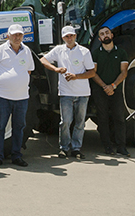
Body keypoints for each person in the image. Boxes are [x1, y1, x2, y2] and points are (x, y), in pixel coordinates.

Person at [40, 26, 96, 159]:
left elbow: (92, 72)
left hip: (82, 93)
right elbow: (43, 60)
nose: (69, 38)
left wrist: (76, 76)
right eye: (66, 36)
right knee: (65, 121)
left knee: (80, 122)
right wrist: (55, 69)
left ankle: (76, 148)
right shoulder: (59, 50)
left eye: (71, 35)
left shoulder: (84, 52)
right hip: (65, 93)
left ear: (75, 36)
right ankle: (64, 148)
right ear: (63, 38)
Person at [0, 24, 35, 167]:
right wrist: (2, 82)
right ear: (8, 36)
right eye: (14, 35)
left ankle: (16, 156)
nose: (17, 37)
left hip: (22, 97)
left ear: (23, 36)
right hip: (2, 96)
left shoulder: (27, 51)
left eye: (20, 35)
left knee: (19, 128)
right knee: (0, 127)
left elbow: (29, 70)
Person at [90, 25, 130, 155]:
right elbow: (93, 73)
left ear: (112, 35)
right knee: (103, 118)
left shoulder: (121, 52)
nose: (105, 35)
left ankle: (121, 146)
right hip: (100, 90)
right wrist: (104, 87)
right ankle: (107, 146)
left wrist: (113, 86)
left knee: (119, 117)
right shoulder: (96, 54)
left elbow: (124, 72)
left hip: (116, 89)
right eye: (102, 34)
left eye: (107, 33)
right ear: (99, 39)